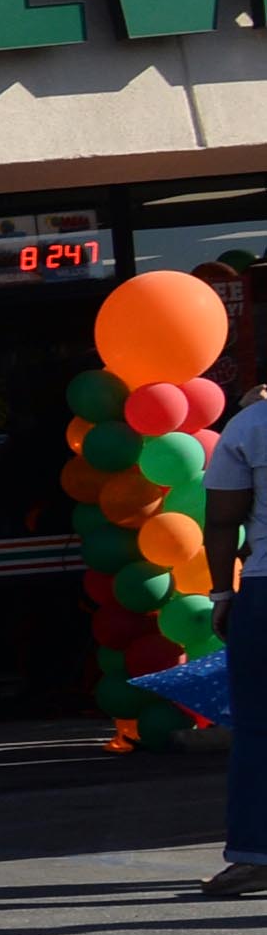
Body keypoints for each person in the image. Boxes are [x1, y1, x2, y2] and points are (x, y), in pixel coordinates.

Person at [201, 378, 267, 897]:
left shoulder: (250, 425)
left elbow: (222, 522)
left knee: (259, 728)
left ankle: (254, 856)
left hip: (265, 590)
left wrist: (222, 595)